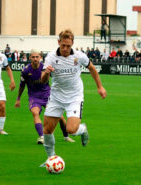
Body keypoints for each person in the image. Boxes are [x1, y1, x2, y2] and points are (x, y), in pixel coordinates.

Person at [40, 29, 107, 165]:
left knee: (71, 129)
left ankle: (82, 129)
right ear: (58, 42)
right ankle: (51, 159)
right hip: (56, 96)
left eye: (68, 46)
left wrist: (100, 87)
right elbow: (43, 80)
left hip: (74, 97)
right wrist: (47, 73)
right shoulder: (51, 57)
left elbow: (92, 69)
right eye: (63, 45)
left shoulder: (79, 56)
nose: (65, 49)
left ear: (72, 44)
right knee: (47, 130)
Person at [14, 49, 75, 144]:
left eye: (37, 57)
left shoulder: (45, 67)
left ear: (40, 58)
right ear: (30, 58)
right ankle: (41, 136)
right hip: (34, 97)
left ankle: (66, 136)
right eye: (33, 57)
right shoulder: (25, 71)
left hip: (48, 95)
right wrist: (18, 99)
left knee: (60, 117)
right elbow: (22, 85)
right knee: (35, 113)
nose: (35, 59)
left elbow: (57, 79)